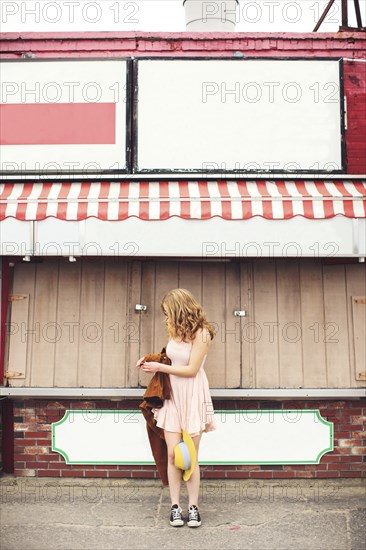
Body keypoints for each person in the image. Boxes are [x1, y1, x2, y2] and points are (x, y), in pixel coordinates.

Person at [135, 288, 217, 528]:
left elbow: (191, 370)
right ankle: (174, 507)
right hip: (172, 396)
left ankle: (193, 508)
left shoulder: (203, 334)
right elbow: (170, 358)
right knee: (173, 455)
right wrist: (150, 360)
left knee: (190, 457)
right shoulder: (174, 332)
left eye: (168, 313)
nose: (166, 318)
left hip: (193, 394)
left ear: (180, 310)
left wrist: (160, 369)